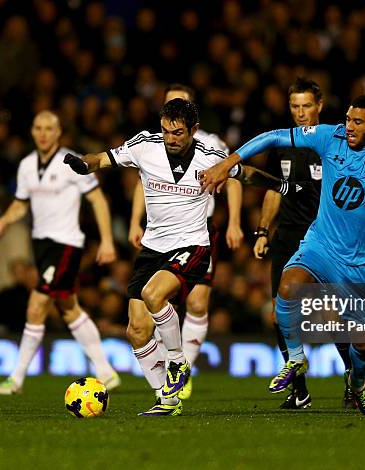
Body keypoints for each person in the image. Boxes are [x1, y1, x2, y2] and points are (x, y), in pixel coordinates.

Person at [200, 94, 365, 416]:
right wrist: (227, 164)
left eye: (358, 122)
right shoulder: (331, 136)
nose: (349, 127)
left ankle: (356, 385)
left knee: (363, 346)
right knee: (287, 288)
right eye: (349, 119)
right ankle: (297, 360)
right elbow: (274, 137)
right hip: (321, 244)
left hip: (361, 262)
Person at [65, 98, 284, 416]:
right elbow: (102, 158)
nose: (171, 138)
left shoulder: (211, 157)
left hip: (193, 246)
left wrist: (284, 186)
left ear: (194, 130)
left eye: (178, 132)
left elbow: (245, 174)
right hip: (152, 248)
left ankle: (178, 363)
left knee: (153, 295)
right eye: (166, 131)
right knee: (136, 330)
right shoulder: (144, 146)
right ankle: (166, 400)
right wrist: (84, 165)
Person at [0, 111, 119, 395]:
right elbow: (21, 204)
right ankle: (106, 371)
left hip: (66, 244)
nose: (43, 133)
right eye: (38, 128)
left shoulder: (73, 162)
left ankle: (16, 379)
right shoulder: (26, 165)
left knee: (37, 305)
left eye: (49, 128)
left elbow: (97, 199)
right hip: (42, 245)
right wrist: (5, 219)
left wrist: (107, 240)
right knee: (69, 308)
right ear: (32, 132)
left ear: (59, 132)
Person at [129, 83, 243, 400]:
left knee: (195, 302)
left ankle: (182, 369)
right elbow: (143, 182)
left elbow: (233, 180)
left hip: (199, 231)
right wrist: (135, 220)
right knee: (146, 315)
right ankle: (170, 376)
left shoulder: (211, 145)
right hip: (160, 233)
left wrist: (234, 221)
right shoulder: (152, 147)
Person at [253, 77, 354, 410]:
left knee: (334, 316)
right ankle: (299, 390)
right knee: (280, 315)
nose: (299, 113)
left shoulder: (336, 142)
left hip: (326, 237)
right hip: (288, 235)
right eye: (294, 106)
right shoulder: (282, 142)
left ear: (320, 106)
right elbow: (273, 189)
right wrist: (263, 231)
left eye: (306, 106)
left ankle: (353, 377)